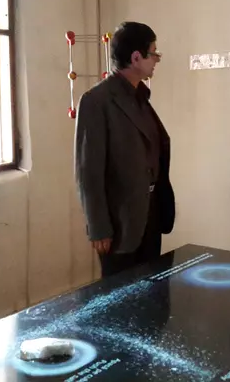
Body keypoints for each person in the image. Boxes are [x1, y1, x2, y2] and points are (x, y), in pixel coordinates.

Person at [74, 21, 175, 277]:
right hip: (120, 222)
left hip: (150, 213)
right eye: (153, 53)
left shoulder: (140, 96)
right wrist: (98, 228)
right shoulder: (96, 101)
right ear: (136, 57)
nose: (157, 59)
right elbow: (88, 172)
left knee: (151, 289)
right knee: (122, 292)